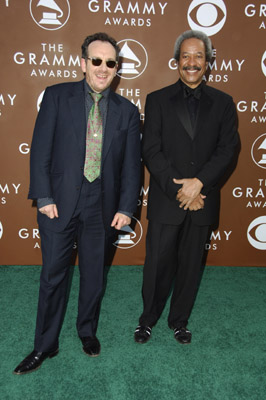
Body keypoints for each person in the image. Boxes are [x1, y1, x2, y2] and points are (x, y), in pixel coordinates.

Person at [14, 32, 140, 375]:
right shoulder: (57, 96)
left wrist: (126, 207)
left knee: (94, 276)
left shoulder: (128, 112)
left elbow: (131, 166)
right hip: (58, 203)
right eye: (96, 60)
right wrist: (43, 196)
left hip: (103, 205)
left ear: (117, 68)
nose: (103, 68)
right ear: (83, 62)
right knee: (53, 276)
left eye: (110, 62)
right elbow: (39, 150)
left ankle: (86, 331)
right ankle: (45, 344)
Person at [134, 30, 238, 345]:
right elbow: (151, 149)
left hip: (204, 199)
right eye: (185, 56)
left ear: (208, 62)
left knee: (191, 266)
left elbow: (227, 150)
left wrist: (199, 184)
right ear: (177, 60)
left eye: (198, 57)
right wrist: (180, 190)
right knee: (156, 265)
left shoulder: (223, 103)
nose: (191, 63)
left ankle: (179, 321)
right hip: (168, 198)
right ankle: (147, 320)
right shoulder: (157, 99)